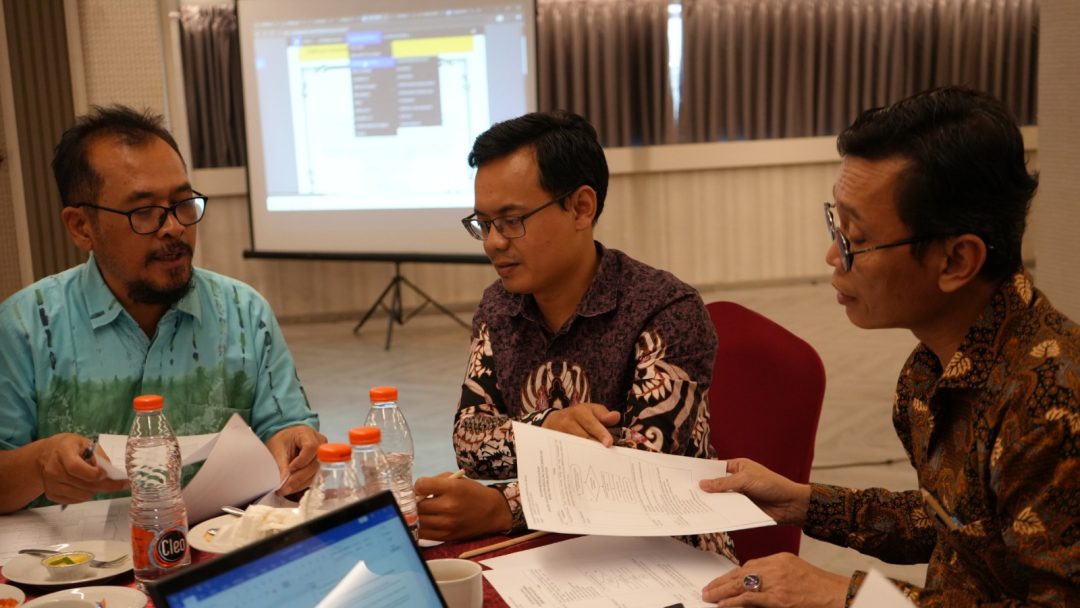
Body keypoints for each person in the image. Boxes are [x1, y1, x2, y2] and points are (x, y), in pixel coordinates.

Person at [699, 87, 1079, 606]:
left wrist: (847, 595)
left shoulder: (1052, 406)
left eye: (855, 239)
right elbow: (956, 523)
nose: (833, 255)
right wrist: (800, 502)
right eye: (836, 225)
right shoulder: (929, 372)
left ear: (956, 261)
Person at [414, 110, 736, 562]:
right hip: (547, 548)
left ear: (581, 207)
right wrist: (546, 426)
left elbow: (643, 469)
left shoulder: (665, 308)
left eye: (511, 220)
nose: (493, 243)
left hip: (669, 551)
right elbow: (470, 441)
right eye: (484, 224)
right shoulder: (500, 306)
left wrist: (504, 506)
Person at [0, 105, 325, 514]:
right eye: (144, 212)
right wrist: (38, 464)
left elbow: (285, 428)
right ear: (81, 227)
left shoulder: (244, 314)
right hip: (74, 554)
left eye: (183, 203)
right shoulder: (25, 327)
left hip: (213, 544)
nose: (174, 227)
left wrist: (295, 445)